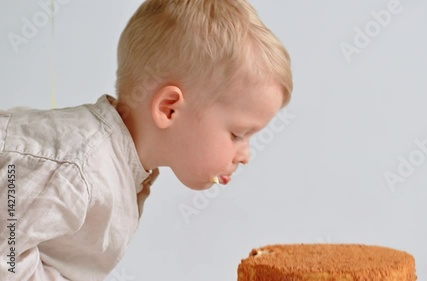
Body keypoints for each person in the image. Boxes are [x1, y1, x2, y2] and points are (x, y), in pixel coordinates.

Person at [0, 0, 293, 280]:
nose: (246, 155)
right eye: (238, 135)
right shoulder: (78, 169)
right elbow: (6, 255)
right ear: (169, 109)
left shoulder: (120, 170)